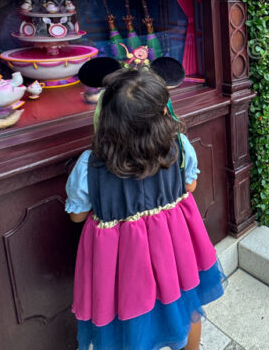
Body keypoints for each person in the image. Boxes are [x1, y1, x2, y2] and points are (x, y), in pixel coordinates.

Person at [65, 68, 225, 350]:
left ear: (107, 118)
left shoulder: (90, 164)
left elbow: (77, 215)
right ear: (162, 113)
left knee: (131, 317)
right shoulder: (178, 145)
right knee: (186, 305)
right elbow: (190, 185)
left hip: (123, 262)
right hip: (173, 250)